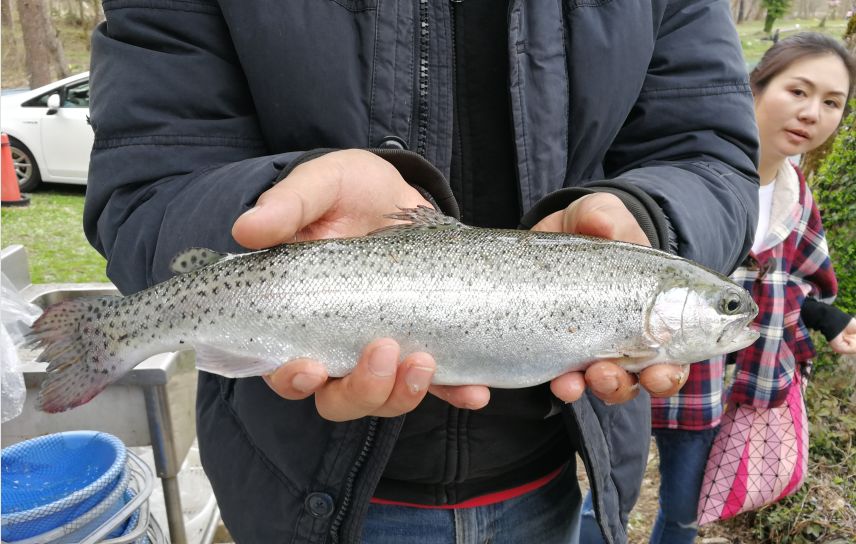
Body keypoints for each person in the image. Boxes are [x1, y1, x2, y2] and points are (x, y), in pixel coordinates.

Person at [83, 1, 759, 542]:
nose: (739, 315)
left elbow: (706, 150)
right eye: (727, 308)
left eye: (726, 307)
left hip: (548, 478)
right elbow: (147, 184)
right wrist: (269, 201)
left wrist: (655, 215)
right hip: (296, 489)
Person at [578, 32, 856, 544]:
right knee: (607, 504)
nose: (811, 112)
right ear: (753, 88)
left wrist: (830, 321)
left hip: (713, 395)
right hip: (631, 373)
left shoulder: (799, 202)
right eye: (798, 91)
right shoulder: (676, 178)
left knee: (685, 513)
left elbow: (797, 286)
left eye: (832, 102)